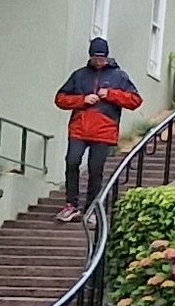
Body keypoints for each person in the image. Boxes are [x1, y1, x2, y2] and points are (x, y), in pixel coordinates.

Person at [52, 38, 141, 222]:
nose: (98, 61)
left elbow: (135, 100)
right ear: (90, 56)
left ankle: (91, 208)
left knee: (95, 169)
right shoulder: (79, 75)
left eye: (101, 57)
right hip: (79, 128)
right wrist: (82, 100)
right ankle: (71, 205)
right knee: (72, 161)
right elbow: (60, 98)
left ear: (107, 57)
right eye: (95, 57)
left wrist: (110, 95)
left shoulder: (119, 76)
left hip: (104, 130)